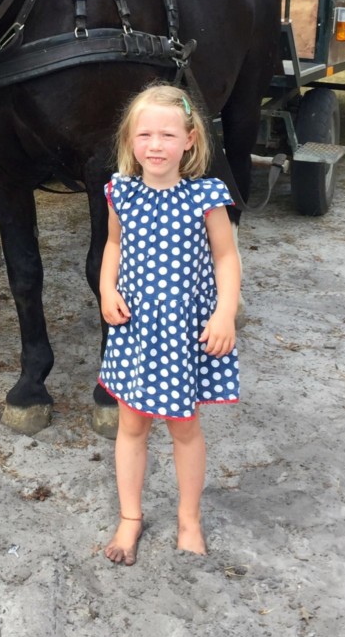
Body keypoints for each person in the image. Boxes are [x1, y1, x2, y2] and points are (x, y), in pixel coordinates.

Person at [98, 83, 240, 564]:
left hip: (183, 334)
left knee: (184, 428)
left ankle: (189, 518)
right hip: (137, 333)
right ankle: (130, 517)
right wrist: (107, 288)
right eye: (144, 135)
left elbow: (226, 258)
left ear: (190, 140)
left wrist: (225, 313)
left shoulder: (205, 196)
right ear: (130, 141)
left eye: (166, 134)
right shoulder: (122, 193)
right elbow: (113, 246)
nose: (155, 145)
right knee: (131, 426)